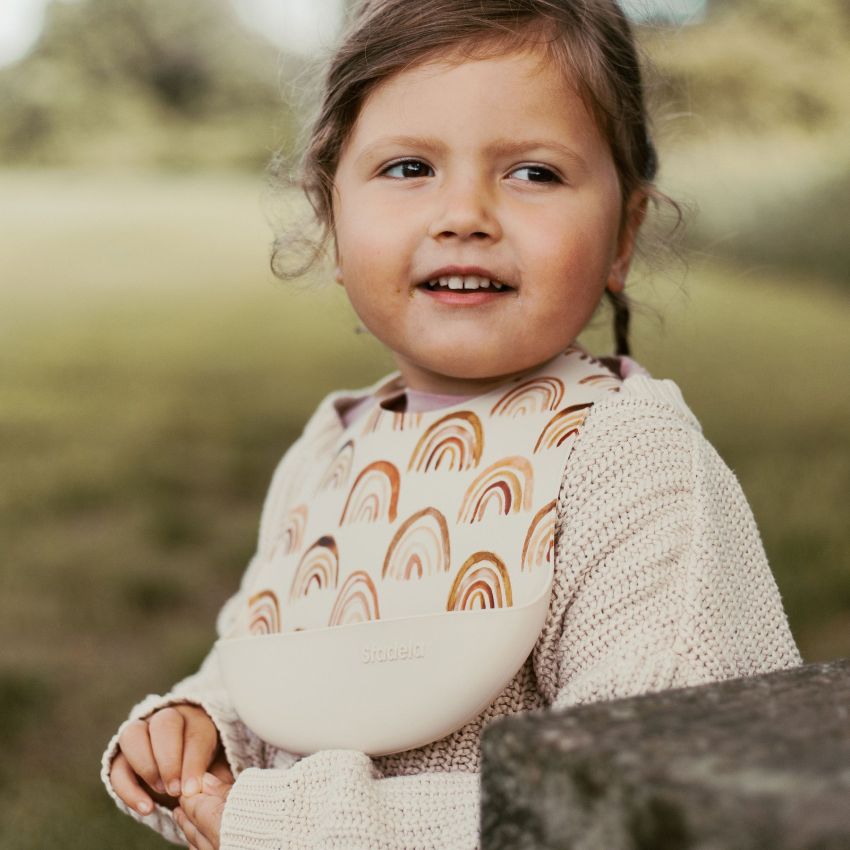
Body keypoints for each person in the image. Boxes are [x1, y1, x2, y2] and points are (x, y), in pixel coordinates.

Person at [100, 1, 801, 847]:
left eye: (534, 173)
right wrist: (206, 725)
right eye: (407, 168)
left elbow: (648, 803)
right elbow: (274, 653)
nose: (464, 213)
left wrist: (281, 824)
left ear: (624, 235)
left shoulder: (625, 460)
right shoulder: (332, 450)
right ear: (332, 220)